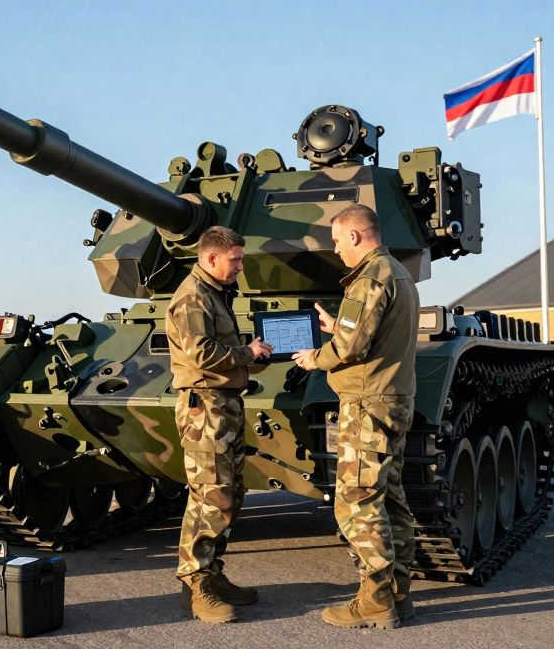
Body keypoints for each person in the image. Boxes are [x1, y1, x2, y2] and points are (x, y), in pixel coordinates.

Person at [292, 203, 419, 630]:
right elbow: (365, 335)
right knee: (390, 498)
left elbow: (349, 349)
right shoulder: (398, 273)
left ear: (354, 235)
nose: (336, 250)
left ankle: (375, 601)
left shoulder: (369, 279)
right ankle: (398, 594)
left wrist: (316, 356)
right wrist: (337, 329)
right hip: (393, 397)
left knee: (357, 502)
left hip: (367, 402)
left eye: (336, 241)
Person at [165, 225, 273, 624]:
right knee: (211, 497)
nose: (241, 267)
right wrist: (247, 352)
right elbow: (200, 353)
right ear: (211, 258)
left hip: (222, 406)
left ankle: (211, 573)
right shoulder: (193, 297)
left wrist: (248, 356)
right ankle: (197, 585)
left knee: (230, 493)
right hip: (205, 408)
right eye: (236, 260)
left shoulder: (213, 294)